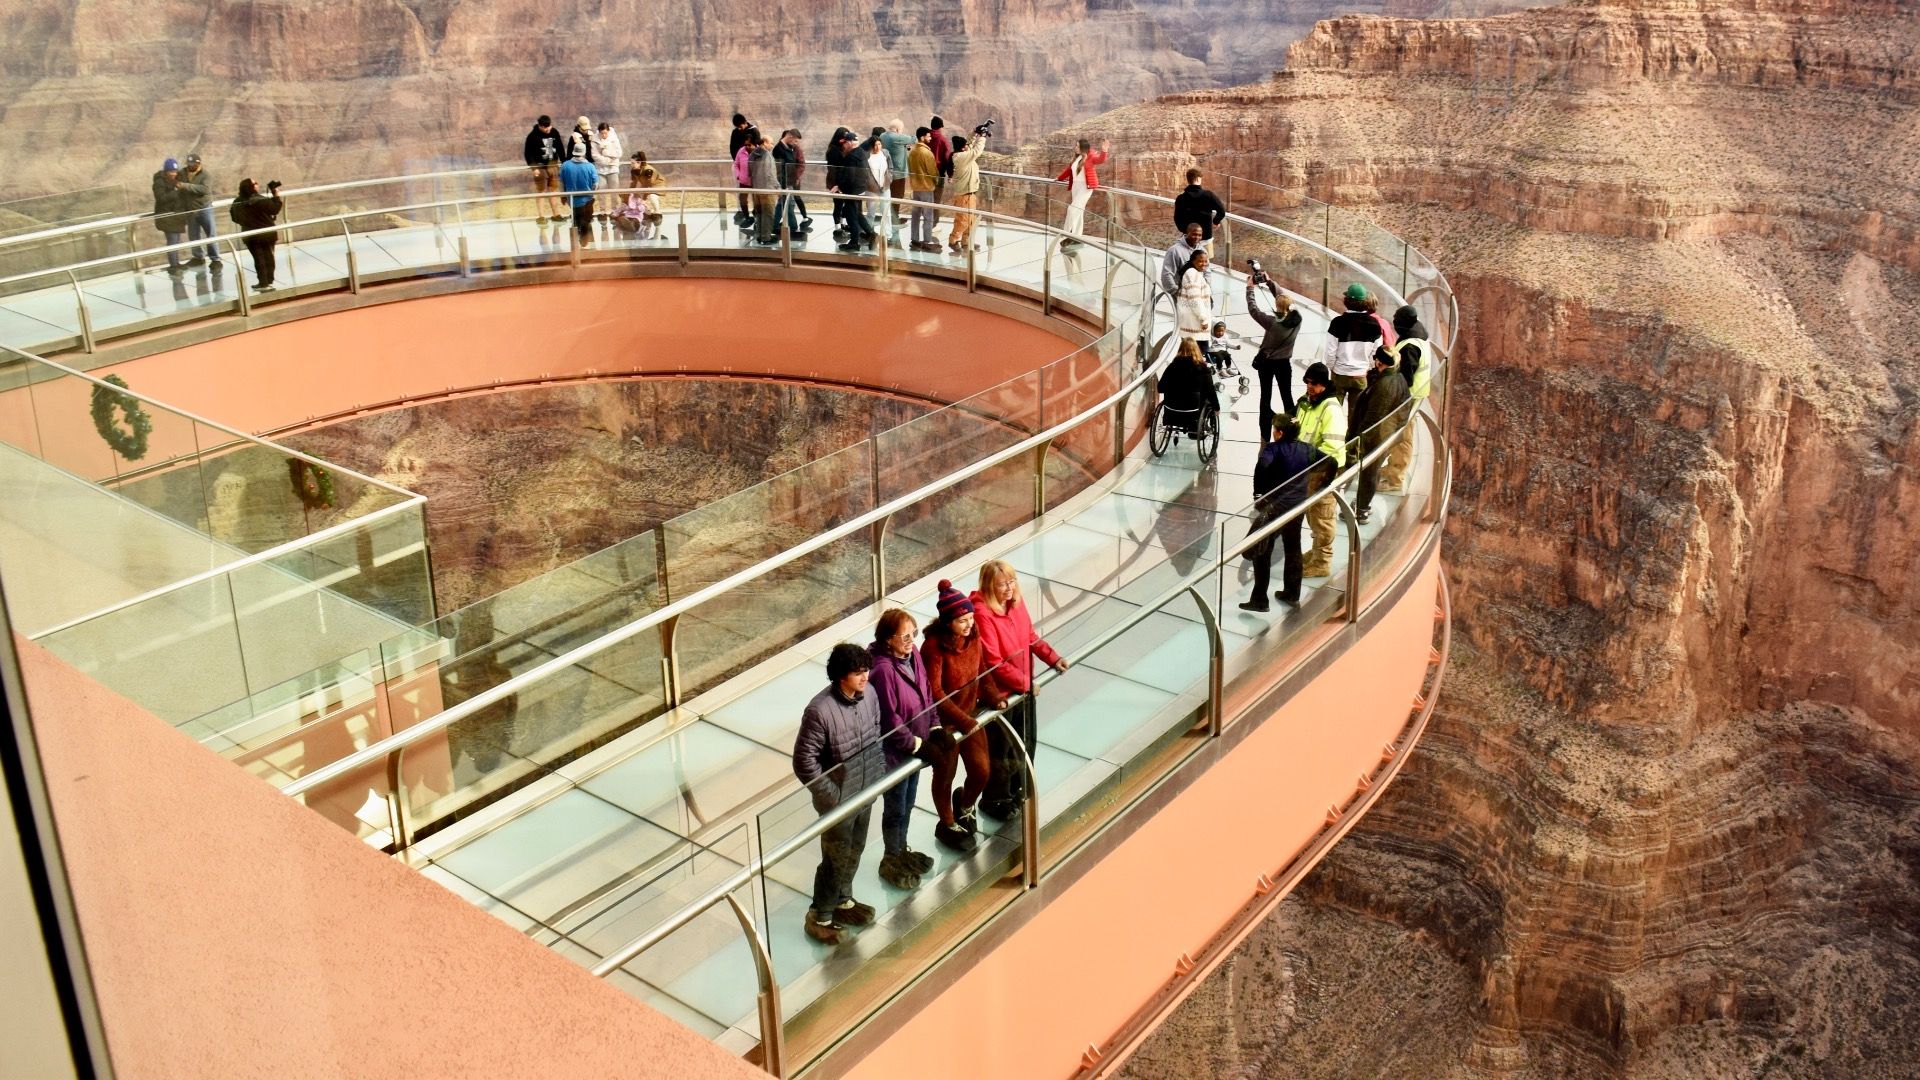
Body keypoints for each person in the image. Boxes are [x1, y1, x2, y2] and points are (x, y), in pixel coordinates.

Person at [791, 643, 886, 946]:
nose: (865, 677)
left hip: (865, 790)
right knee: (835, 856)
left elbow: (876, 731)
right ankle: (820, 915)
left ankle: (844, 901)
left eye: (865, 670)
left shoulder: (869, 694)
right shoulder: (819, 711)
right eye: (858, 672)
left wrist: (877, 773)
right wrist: (832, 795)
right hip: (839, 801)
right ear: (840, 675)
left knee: (856, 848)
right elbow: (804, 760)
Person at [971, 561, 1066, 820]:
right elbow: (993, 662)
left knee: (1026, 741)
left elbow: (1030, 636)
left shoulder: (1016, 603)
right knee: (1001, 750)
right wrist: (1025, 683)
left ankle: (1018, 789)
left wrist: (1052, 658)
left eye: (1011, 581)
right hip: (1001, 696)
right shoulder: (982, 613)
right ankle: (996, 799)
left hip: (1023, 688)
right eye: (1002, 584)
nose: (1009, 588)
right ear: (989, 586)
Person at [921, 580, 1005, 852]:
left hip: (969, 715)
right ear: (947, 622)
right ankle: (947, 822)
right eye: (962, 621)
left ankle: (966, 806)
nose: (969, 624)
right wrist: (963, 719)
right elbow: (934, 691)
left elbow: (981, 671)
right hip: (945, 724)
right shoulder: (933, 648)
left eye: (970, 618)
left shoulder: (973, 638)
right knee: (945, 775)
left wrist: (993, 696)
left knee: (981, 770)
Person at [868, 609, 937, 889]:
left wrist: (934, 727)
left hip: (916, 748)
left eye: (913, 634)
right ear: (887, 640)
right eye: (904, 636)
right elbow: (889, 718)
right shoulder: (883, 669)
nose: (910, 641)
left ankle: (902, 848)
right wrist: (915, 744)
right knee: (896, 807)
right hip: (897, 755)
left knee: (908, 803)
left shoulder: (914, 654)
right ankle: (891, 856)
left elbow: (926, 692)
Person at [1241, 416, 1316, 611]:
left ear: (1280, 433)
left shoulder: (1273, 449)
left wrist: (1259, 493)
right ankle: (1291, 593)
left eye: (1275, 429)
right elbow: (1331, 462)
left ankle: (1259, 599)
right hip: (1297, 506)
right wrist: (1324, 483)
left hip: (1276, 507)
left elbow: (1262, 466)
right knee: (1293, 548)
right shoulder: (1307, 449)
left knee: (1262, 549)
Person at [1293, 362, 1348, 578]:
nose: (1309, 387)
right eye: (1307, 382)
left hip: (1325, 470)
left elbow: (1332, 448)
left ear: (1324, 385)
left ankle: (1322, 562)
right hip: (1310, 469)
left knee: (1323, 516)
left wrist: (1304, 457)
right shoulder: (1307, 403)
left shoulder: (1331, 409)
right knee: (1313, 514)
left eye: (1314, 384)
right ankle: (1317, 552)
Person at [1351, 345, 1410, 524]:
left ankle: (1361, 510)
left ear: (1380, 361)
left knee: (1369, 471)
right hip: (1386, 435)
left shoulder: (1386, 385)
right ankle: (1362, 504)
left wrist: (1359, 437)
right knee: (1372, 470)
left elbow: (1374, 416)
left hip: (1377, 436)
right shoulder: (1397, 377)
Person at [1379, 305, 1432, 492]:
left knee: (1403, 437)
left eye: (1397, 320)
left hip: (1407, 397)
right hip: (1413, 394)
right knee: (1401, 434)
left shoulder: (1410, 346)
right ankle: (1392, 468)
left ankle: (1395, 479)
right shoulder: (1417, 336)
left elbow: (1406, 377)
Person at [1247, 275, 1303, 440]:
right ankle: (1292, 429)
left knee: (1265, 397)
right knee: (1287, 396)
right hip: (1284, 364)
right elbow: (1283, 298)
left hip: (1267, 364)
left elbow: (1253, 309)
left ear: (1278, 308)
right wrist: (1270, 282)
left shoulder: (1272, 323)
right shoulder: (1297, 319)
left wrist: (1250, 288)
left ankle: (1265, 434)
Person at [1322, 283, 1382, 423]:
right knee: (1356, 416)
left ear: (1347, 301)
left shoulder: (1337, 323)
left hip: (1340, 373)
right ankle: (1352, 443)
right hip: (1361, 375)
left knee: (1333, 412)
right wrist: (1367, 367)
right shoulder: (1374, 324)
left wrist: (1334, 367)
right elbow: (1376, 353)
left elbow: (1330, 352)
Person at [229, 178, 283, 291]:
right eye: (255, 183)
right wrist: (276, 196)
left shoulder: (237, 202)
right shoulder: (261, 200)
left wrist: (247, 223)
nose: (258, 184)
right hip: (267, 234)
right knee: (268, 257)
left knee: (258, 259)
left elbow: (234, 217)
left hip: (250, 236)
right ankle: (268, 281)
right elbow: (275, 209)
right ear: (251, 187)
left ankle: (263, 282)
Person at [1054, 137, 1110, 243]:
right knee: (1078, 212)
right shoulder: (1077, 158)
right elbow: (1069, 171)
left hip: (1085, 188)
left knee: (1072, 209)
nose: (1075, 148)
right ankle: (1077, 237)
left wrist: (1104, 150)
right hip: (1076, 187)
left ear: (1083, 148)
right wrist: (1059, 178)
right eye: (1076, 146)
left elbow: (1101, 160)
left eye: (1077, 146)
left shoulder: (1091, 156)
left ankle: (1068, 235)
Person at [1158, 339, 1221, 433]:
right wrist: (1217, 407)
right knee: (1207, 397)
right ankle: (1205, 427)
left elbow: (1160, 388)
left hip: (1171, 411)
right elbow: (1210, 391)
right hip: (1193, 412)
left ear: (1180, 349)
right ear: (1197, 350)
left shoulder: (1172, 367)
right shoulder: (1203, 368)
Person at [829, 128, 875, 251]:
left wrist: (839, 187)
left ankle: (854, 243)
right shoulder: (861, 153)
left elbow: (850, 176)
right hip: (860, 189)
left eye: (844, 143)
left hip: (852, 190)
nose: (843, 145)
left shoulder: (852, 157)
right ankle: (871, 234)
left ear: (849, 143)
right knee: (856, 213)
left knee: (851, 215)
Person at [946, 130, 990, 254]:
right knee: (963, 220)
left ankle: (967, 241)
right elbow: (977, 151)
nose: (967, 146)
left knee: (971, 220)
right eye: (965, 146)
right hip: (964, 194)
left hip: (970, 193)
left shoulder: (962, 153)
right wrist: (982, 137)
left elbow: (969, 144)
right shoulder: (960, 157)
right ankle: (953, 240)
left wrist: (975, 132)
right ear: (962, 148)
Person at [175, 154, 219, 269]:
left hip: (204, 207)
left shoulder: (205, 175)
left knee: (211, 233)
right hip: (190, 209)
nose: (190, 166)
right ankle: (198, 257)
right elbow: (177, 187)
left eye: (193, 164)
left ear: (198, 164)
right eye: (188, 164)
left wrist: (185, 186)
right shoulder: (182, 173)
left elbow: (204, 189)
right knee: (193, 235)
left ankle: (215, 259)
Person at [523, 115, 567, 222]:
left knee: (553, 190)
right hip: (540, 167)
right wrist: (534, 168)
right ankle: (541, 216)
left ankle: (556, 214)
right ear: (540, 126)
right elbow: (528, 154)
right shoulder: (532, 136)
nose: (548, 129)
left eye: (549, 126)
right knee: (541, 191)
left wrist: (564, 162)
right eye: (545, 127)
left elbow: (560, 148)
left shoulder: (554, 132)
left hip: (553, 165)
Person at [150, 158, 190, 275]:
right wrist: (176, 191)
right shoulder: (159, 182)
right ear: (166, 171)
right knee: (172, 241)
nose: (173, 174)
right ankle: (173, 265)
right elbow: (161, 198)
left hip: (176, 216)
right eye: (171, 171)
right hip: (167, 216)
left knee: (176, 241)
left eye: (175, 171)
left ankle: (176, 263)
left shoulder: (177, 180)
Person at [771, 129, 811, 238]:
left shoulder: (787, 147)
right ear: (790, 136)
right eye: (795, 141)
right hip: (784, 182)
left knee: (782, 204)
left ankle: (774, 225)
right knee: (789, 204)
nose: (795, 144)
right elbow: (780, 169)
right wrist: (782, 185)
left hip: (788, 181)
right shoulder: (779, 149)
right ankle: (793, 228)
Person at [907, 127, 941, 252]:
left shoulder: (913, 151)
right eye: (928, 136)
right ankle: (927, 241)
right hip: (926, 188)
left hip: (915, 187)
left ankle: (914, 239)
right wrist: (935, 182)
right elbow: (932, 172)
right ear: (922, 137)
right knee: (928, 215)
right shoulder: (926, 153)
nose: (930, 138)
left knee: (915, 214)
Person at [1172, 167, 1227, 244]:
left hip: (1189, 238)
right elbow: (1222, 211)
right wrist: (1215, 222)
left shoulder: (1181, 198)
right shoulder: (1208, 195)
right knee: (1205, 255)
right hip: (1206, 237)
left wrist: (1185, 231)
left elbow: (1177, 218)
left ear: (1188, 180)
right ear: (1198, 179)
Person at [879, 120, 918, 227]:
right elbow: (914, 139)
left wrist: (904, 147)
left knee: (888, 195)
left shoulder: (883, 135)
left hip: (886, 172)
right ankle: (894, 220)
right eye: (901, 129)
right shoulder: (896, 137)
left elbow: (896, 147)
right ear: (898, 129)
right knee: (897, 196)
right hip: (898, 173)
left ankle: (889, 218)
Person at [559, 143, 599, 246]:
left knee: (575, 220)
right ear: (584, 152)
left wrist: (563, 196)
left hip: (572, 200)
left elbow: (561, 183)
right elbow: (595, 184)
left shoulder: (565, 165)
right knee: (586, 221)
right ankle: (586, 242)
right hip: (587, 200)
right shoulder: (590, 166)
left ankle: (575, 244)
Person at [1176, 248, 1214, 351]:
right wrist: (1203, 318)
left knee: (1190, 355)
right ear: (1193, 261)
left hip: (1193, 323)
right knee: (1196, 356)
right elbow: (1194, 298)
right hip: (1195, 324)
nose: (1203, 264)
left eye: (1206, 261)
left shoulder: (1196, 273)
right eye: (1200, 261)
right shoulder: (1192, 273)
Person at [747, 133, 779, 245]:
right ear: (764, 143)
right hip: (767, 189)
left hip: (756, 190)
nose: (772, 145)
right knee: (768, 213)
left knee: (759, 213)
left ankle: (760, 236)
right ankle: (766, 238)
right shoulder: (767, 156)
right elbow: (770, 174)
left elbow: (750, 172)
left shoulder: (752, 154)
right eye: (771, 143)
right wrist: (778, 188)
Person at [1159, 221, 1206, 294]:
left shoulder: (1202, 250)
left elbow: (1207, 272)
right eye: (1194, 234)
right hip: (1182, 294)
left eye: (1200, 235)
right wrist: (1177, 292)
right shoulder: (1174, 250)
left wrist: (1206, 289)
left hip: (1199, 293)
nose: (1197, 237)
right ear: (1186, 234)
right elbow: (1166, 274)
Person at [863, 134, 894, 241]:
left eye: (879, 144)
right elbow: (865, 172)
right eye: (875, 145)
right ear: (871, 146)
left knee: (886, 212)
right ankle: (868, 233)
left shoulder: (885, 153)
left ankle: (888, 235)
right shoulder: (867, 155)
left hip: (885, 187)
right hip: (871, 189)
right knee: (871, 212)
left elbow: (890, 167)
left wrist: (889, 178)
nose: (878, 147)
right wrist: (869, 183)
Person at [592, 121, 623, 219]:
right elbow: (595, 155)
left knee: (614, 190)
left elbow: (618, 153)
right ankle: (602, 211)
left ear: (608, 131)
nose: (604, 135)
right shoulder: (594, 139)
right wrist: (607, 160)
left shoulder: (614, 138)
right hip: (600, 169)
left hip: (613, 169)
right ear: (599, 132)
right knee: (601, 191)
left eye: (606, 133)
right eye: (602, 133)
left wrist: (606, 152)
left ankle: (615, 210)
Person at [728, 113, 755, 221]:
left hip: (754, 175)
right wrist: (738, 161)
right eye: (737, 127)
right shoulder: (735, 132)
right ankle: (745, 215)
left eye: (740, 126)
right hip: (742, 171)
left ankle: (756, 213)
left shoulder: (753, 131)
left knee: (755, 196)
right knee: (742, 196)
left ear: (744, 123)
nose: (739, 129)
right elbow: (732, 147)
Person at [928, 115, 954, 213]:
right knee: (936, 199)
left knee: (925, 199)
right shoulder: (943, 140)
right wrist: (950, 174)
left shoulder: (925, 138)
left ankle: (926, 222)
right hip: (939, 173)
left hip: (925, 172)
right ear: (940, 127)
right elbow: (947, 158)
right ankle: (933, 223)